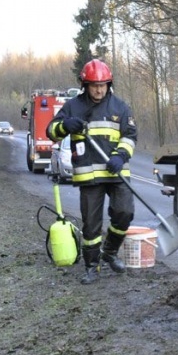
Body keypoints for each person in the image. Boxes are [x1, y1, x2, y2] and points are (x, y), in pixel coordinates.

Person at [48, 59, 137, 284]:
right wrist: (64, 126)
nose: (99, 90)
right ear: (85, 85)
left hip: (116, 172)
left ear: (109, 84)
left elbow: (130, 136)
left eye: (103, 85)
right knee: (91, 223)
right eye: (94, 85)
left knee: (125, 212)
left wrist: (120, 156)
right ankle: (91, 266)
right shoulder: (73, 107)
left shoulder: (120, 107)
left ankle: (110, 252)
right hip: (89, 175)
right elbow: (51, 131)